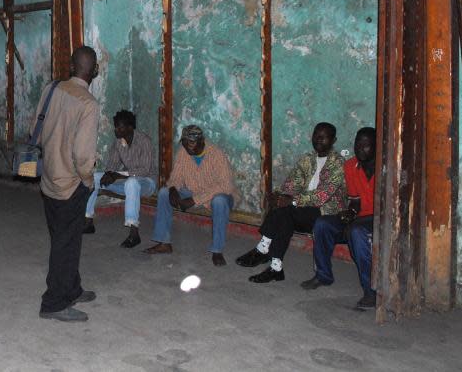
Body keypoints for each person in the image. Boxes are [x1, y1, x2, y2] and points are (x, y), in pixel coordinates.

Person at [36, 46, 100, 323]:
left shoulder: (52, 89)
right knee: (65, 244)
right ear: (94, 71)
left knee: (65, 239)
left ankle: (71, 288)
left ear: (72, 66)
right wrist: (87, 182)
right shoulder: (88, 104)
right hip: (70, 185)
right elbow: (84, 156)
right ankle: (54, 303)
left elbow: (35, 131)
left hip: (48, 179)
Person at [235, 122, 346, 282]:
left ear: (333, 140)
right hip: (302, 210)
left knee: (287, 211)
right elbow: (293, 182)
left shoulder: (338, 163)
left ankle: (263, 250)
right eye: (316, 136)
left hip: (326, 213)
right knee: (284, 213)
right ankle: (275, 265)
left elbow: (322, 196)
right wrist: (281, 195)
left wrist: (292, 200)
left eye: (324, 137)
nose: (318, 140)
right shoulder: (308, 159)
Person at [301, 127, 377, 310]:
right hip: (359, 219)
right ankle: (323, 275)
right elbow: (355, 202)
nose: (360, 149)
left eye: (366, 145)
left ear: (376, 147)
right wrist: (350, 213)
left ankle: (371, 292)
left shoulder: (386, 169)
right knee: (323, 224)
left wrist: (355, 221)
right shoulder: (351, 166)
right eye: (358, 144)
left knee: (356, 231)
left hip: (379, 221)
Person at [144, 125, 236, 266]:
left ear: (202, 141)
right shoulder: (183, 152)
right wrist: (173, 188)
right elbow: (175, 177)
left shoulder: (216, 154)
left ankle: (217, 250)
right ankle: (164, 243)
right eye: (186, 142)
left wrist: (194, 200)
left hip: (219, 195)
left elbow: (226, 186)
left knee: (219, 201)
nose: (188, 146)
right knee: (164, 193)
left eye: (192, 143)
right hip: (193, 191)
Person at [83, 110, 157, 248]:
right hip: (128, 182)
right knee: (94, 178)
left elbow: (144, 171)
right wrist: (108, 174)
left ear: (130, 128)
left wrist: (118, 175)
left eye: (120, 127)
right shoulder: (118, 143)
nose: (116, 130)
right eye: (116, 126)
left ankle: (134, 233)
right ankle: (88, 222)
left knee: (132, 183)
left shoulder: (144, 141)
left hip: (147, 183)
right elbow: (112, 165)